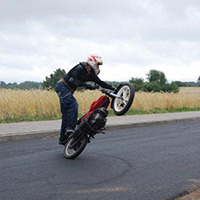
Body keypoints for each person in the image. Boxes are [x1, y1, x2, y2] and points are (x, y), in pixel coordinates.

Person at [55, 55, 115, 145]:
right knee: (73, 105)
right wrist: (86, 84)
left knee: (66, 115)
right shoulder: (79, 68)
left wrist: (113, 90)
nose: (98, 67)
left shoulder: (90, 74)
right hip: (62, 87)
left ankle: (63, 138)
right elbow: (72, 80)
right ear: (92, 62)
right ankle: (70, 129)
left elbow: (101, 83)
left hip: (68, 90)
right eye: (97, 64)